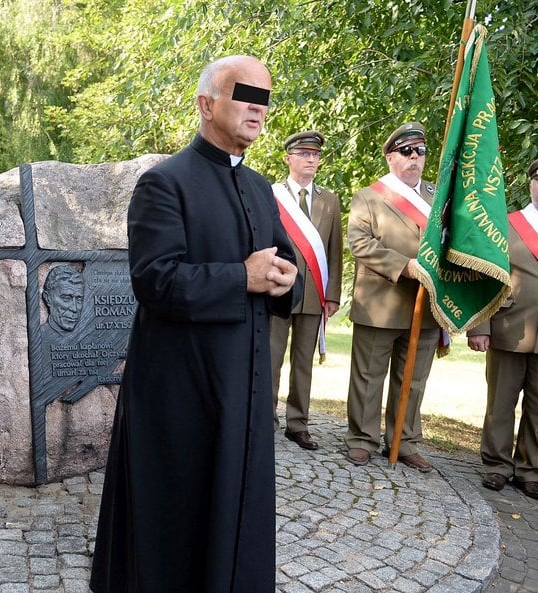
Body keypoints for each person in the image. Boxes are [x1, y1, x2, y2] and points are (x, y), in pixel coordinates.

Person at [90, 55, 302, 593]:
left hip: (244, 389)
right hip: (181, 394)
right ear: (207, 105)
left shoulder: (259, 188)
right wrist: (243, 277)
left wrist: (284, 281)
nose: (258, 108)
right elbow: (154, 282)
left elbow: (281, 266)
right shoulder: (164, 184)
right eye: (245, 95)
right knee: (177, 519)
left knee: (238, 505)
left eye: (265, 98)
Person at [344, 122, 440, 472]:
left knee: (413, 380)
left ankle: (405, 440)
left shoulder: (438, 195)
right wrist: (405, 266)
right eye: (406, 151)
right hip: (381, 302)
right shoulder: (369, 197)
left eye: (420, 151)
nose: (415, 158)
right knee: (369, 376)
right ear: (390, 157)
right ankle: (361, 439)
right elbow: (361, 244)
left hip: (426, 305)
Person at [467, 155, 538, 500]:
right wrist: (479, 326)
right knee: (500, 402)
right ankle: (498, 466)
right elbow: (484, 276)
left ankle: (530, 469)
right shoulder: (508, 224)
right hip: (510, 325)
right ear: (531, 184)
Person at [270, 131, 343, 450]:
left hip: (314, 293)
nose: (311, 160)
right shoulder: (271, 195)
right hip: (276, 290)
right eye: (303, 154)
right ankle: (265, 418)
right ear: (289, 158)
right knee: (271, 358)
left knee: (303, 362)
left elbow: (335, 250)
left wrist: (333, 294)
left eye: (315, 155)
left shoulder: (330, 199)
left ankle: (297, 424)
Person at [42, 265, 85, 333]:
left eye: (79, 300)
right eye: (66, 299)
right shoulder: (39, 335)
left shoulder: (86, 334)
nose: (74, 309)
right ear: (48, 298)